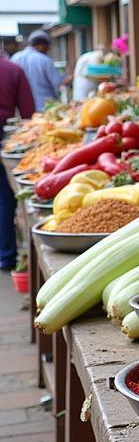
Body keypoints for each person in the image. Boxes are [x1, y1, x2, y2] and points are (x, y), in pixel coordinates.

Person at [0, 55, 35, 270]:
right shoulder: (12, 70)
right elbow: (28, 112)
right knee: (4, 196)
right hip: (3, 135)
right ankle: (5, 256)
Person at [12, 31, 63, 108]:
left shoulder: (15, 58)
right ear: (41, 45)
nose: (48, 49)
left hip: (21, 107)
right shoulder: (45, 60)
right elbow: (57, 82)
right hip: (45, 106)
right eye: (47, 46)